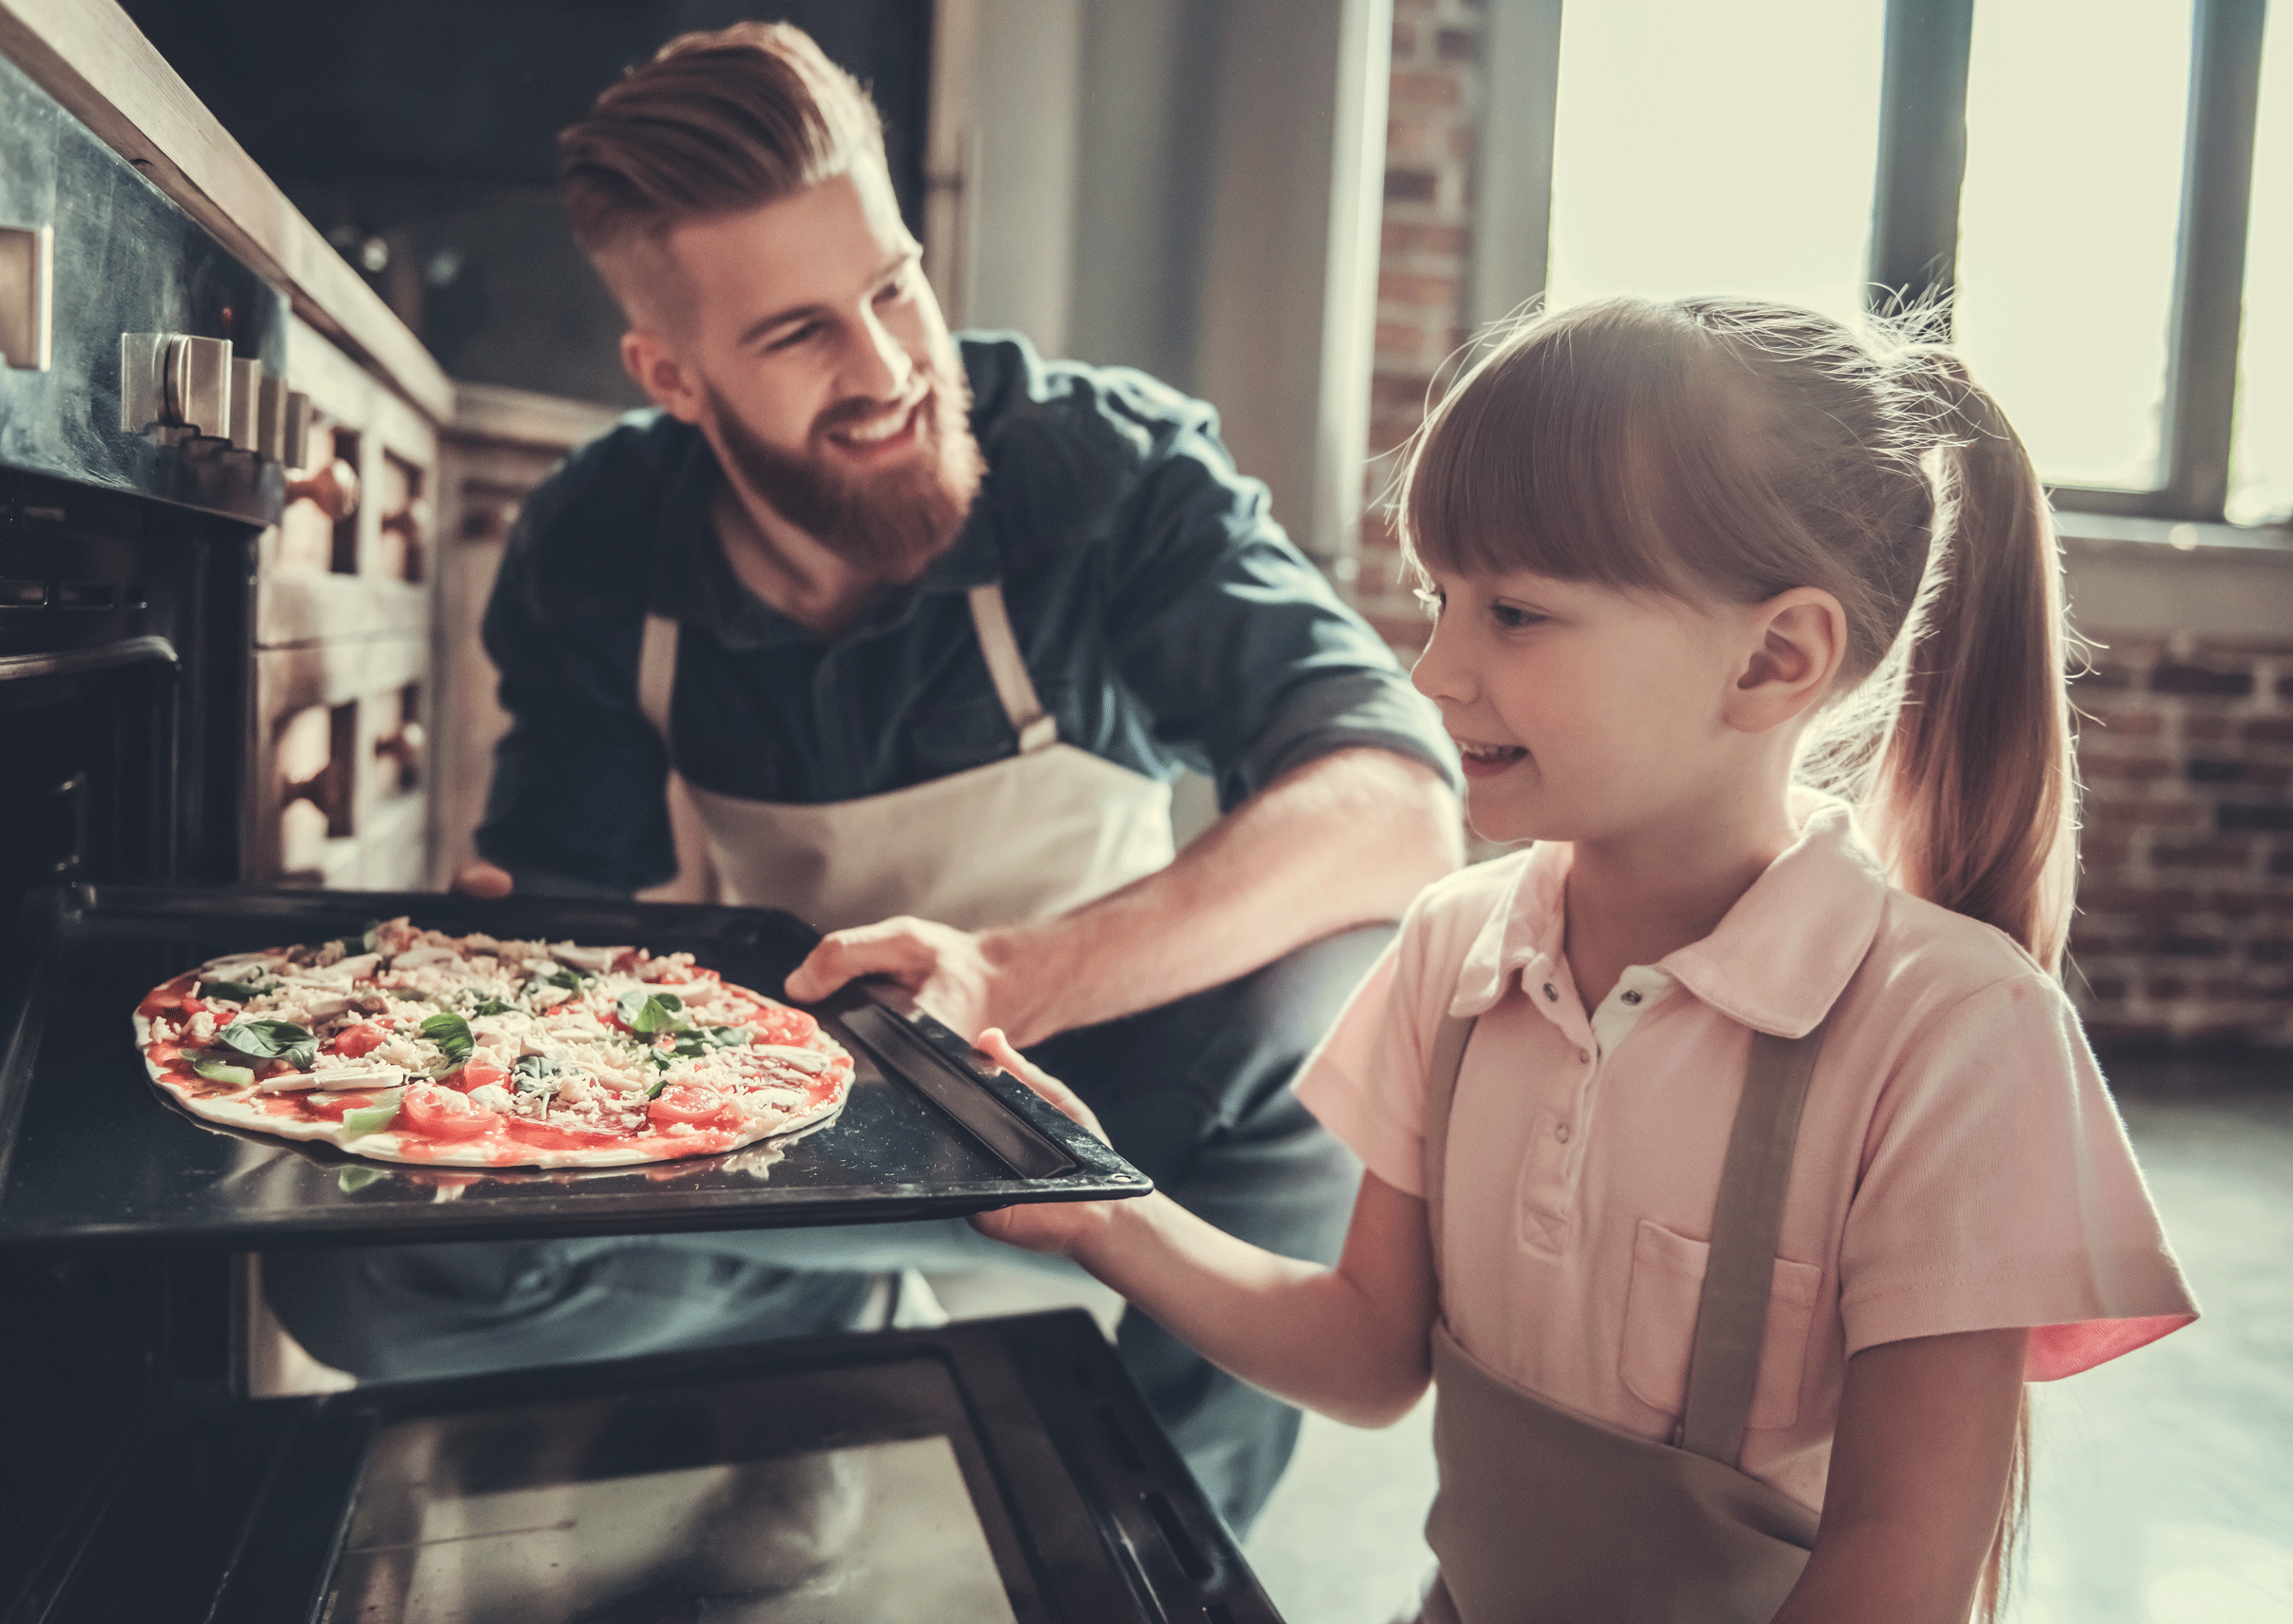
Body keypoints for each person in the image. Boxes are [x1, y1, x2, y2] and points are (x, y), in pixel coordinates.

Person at [262, 21, 1462, 1536]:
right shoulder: (598, 543)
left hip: (1105, 1123)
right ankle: (801, 1361)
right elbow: (578, 909)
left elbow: (1399, 802)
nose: (892, 367)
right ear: (672, 377)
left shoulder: (1107, 478)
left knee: (1328, 1015)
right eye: (798, 335)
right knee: (361, 1274)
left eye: (894, 287)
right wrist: (500, 978)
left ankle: (1161, 1539)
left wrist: (1017, 977)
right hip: (781, 1124)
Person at [967, 296, 2200, 1622]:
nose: (1433, 669)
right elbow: (1370, 1352)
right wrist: (1102, 1209)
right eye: (1440, 598)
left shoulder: (1952, 1030)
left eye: (1515, 614)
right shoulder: (1452, 948)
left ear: (1775, 659)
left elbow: (1901, 1563)